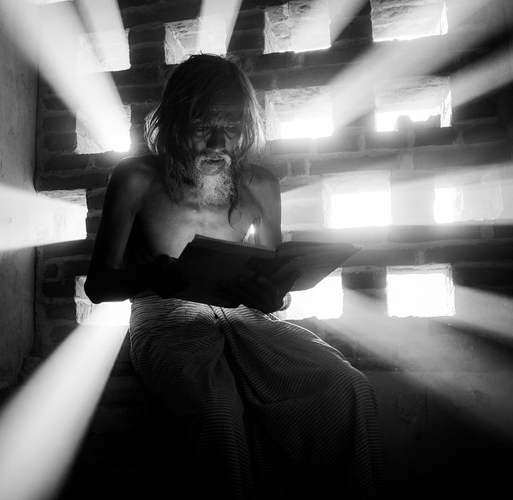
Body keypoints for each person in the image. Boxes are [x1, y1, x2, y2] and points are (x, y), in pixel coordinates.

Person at [85, 54, 385, 499]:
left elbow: (274, 280)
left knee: (348, 387)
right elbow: (97, 285)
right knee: (218, 415)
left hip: (246, 316)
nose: (218, 142)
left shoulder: (260, 184)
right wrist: (146, 276)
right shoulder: (136, 177)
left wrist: (273, 296)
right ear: (173, 121)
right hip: (165, 318)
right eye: (202, 125)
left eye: (232, 127)